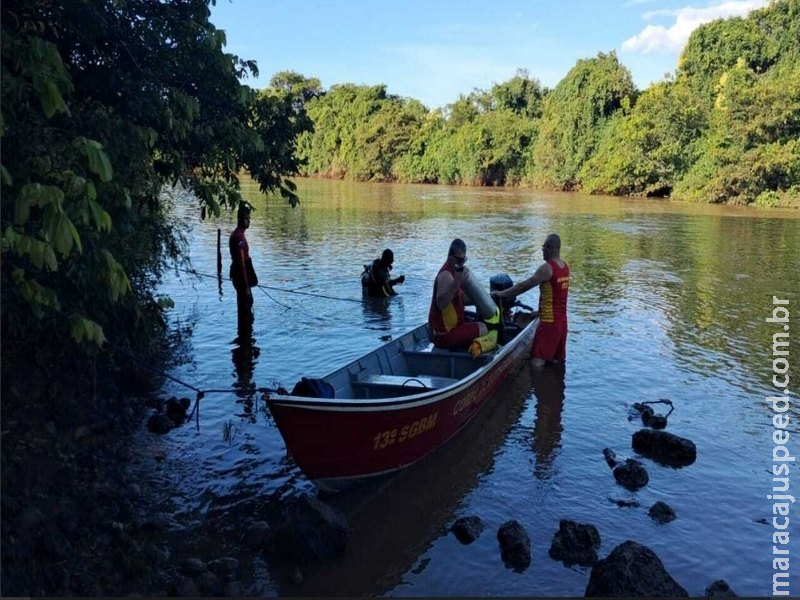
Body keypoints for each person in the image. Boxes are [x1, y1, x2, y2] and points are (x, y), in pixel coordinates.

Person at [492, 233, 569, 367]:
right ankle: (556, 386)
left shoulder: (546, 268)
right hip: (562, 324)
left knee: (536, 364)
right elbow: (557, 298)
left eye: (544, 246)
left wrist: (501, 294)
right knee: (557, 363)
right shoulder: (565, 267)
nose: (542, 249)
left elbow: (524, 286)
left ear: (551, 248)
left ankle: (538, 387)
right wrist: (538, 312)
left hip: (548, 325)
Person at [428, 238, 488, 350]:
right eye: (458, 260)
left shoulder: (454, 272)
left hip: (453, 327)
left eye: (463, 260)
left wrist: (484, 298)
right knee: (483, 328)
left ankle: (465, 347)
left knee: (477, 321)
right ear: (450, 256)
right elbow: (441, 303)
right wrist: (457, 282)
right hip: (444, 334)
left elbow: (462, 299)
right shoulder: (445, 275)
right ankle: (473, 352)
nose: (461, 263)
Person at [229, 202, 258, 327]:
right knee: (245, 307)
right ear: (240, 219)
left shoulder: (237, 234)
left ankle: (245, 333)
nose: (249, 221)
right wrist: (246, 286)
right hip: (241, 278)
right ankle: (245, 337)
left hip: (239, 277)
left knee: (245, 306)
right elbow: (241, 264)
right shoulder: (239, 237)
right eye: (247, 219)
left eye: (249, 218)